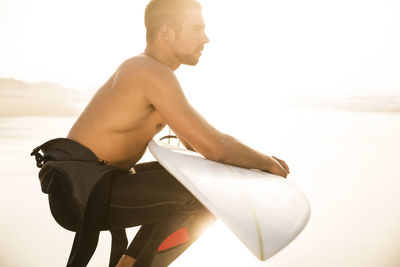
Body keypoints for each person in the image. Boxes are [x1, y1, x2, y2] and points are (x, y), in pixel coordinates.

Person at [34, 0, 290, 266]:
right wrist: (267, 163)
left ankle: (130, 264)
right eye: (197, 28)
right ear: (167, 33)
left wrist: (245, 165)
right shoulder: (147, 71)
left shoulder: (150, 71)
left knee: (197, 181)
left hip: (91, 187)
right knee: (204, 195)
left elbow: (197, 145)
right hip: (81, 195)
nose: (206, 38)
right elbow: (215, 148)